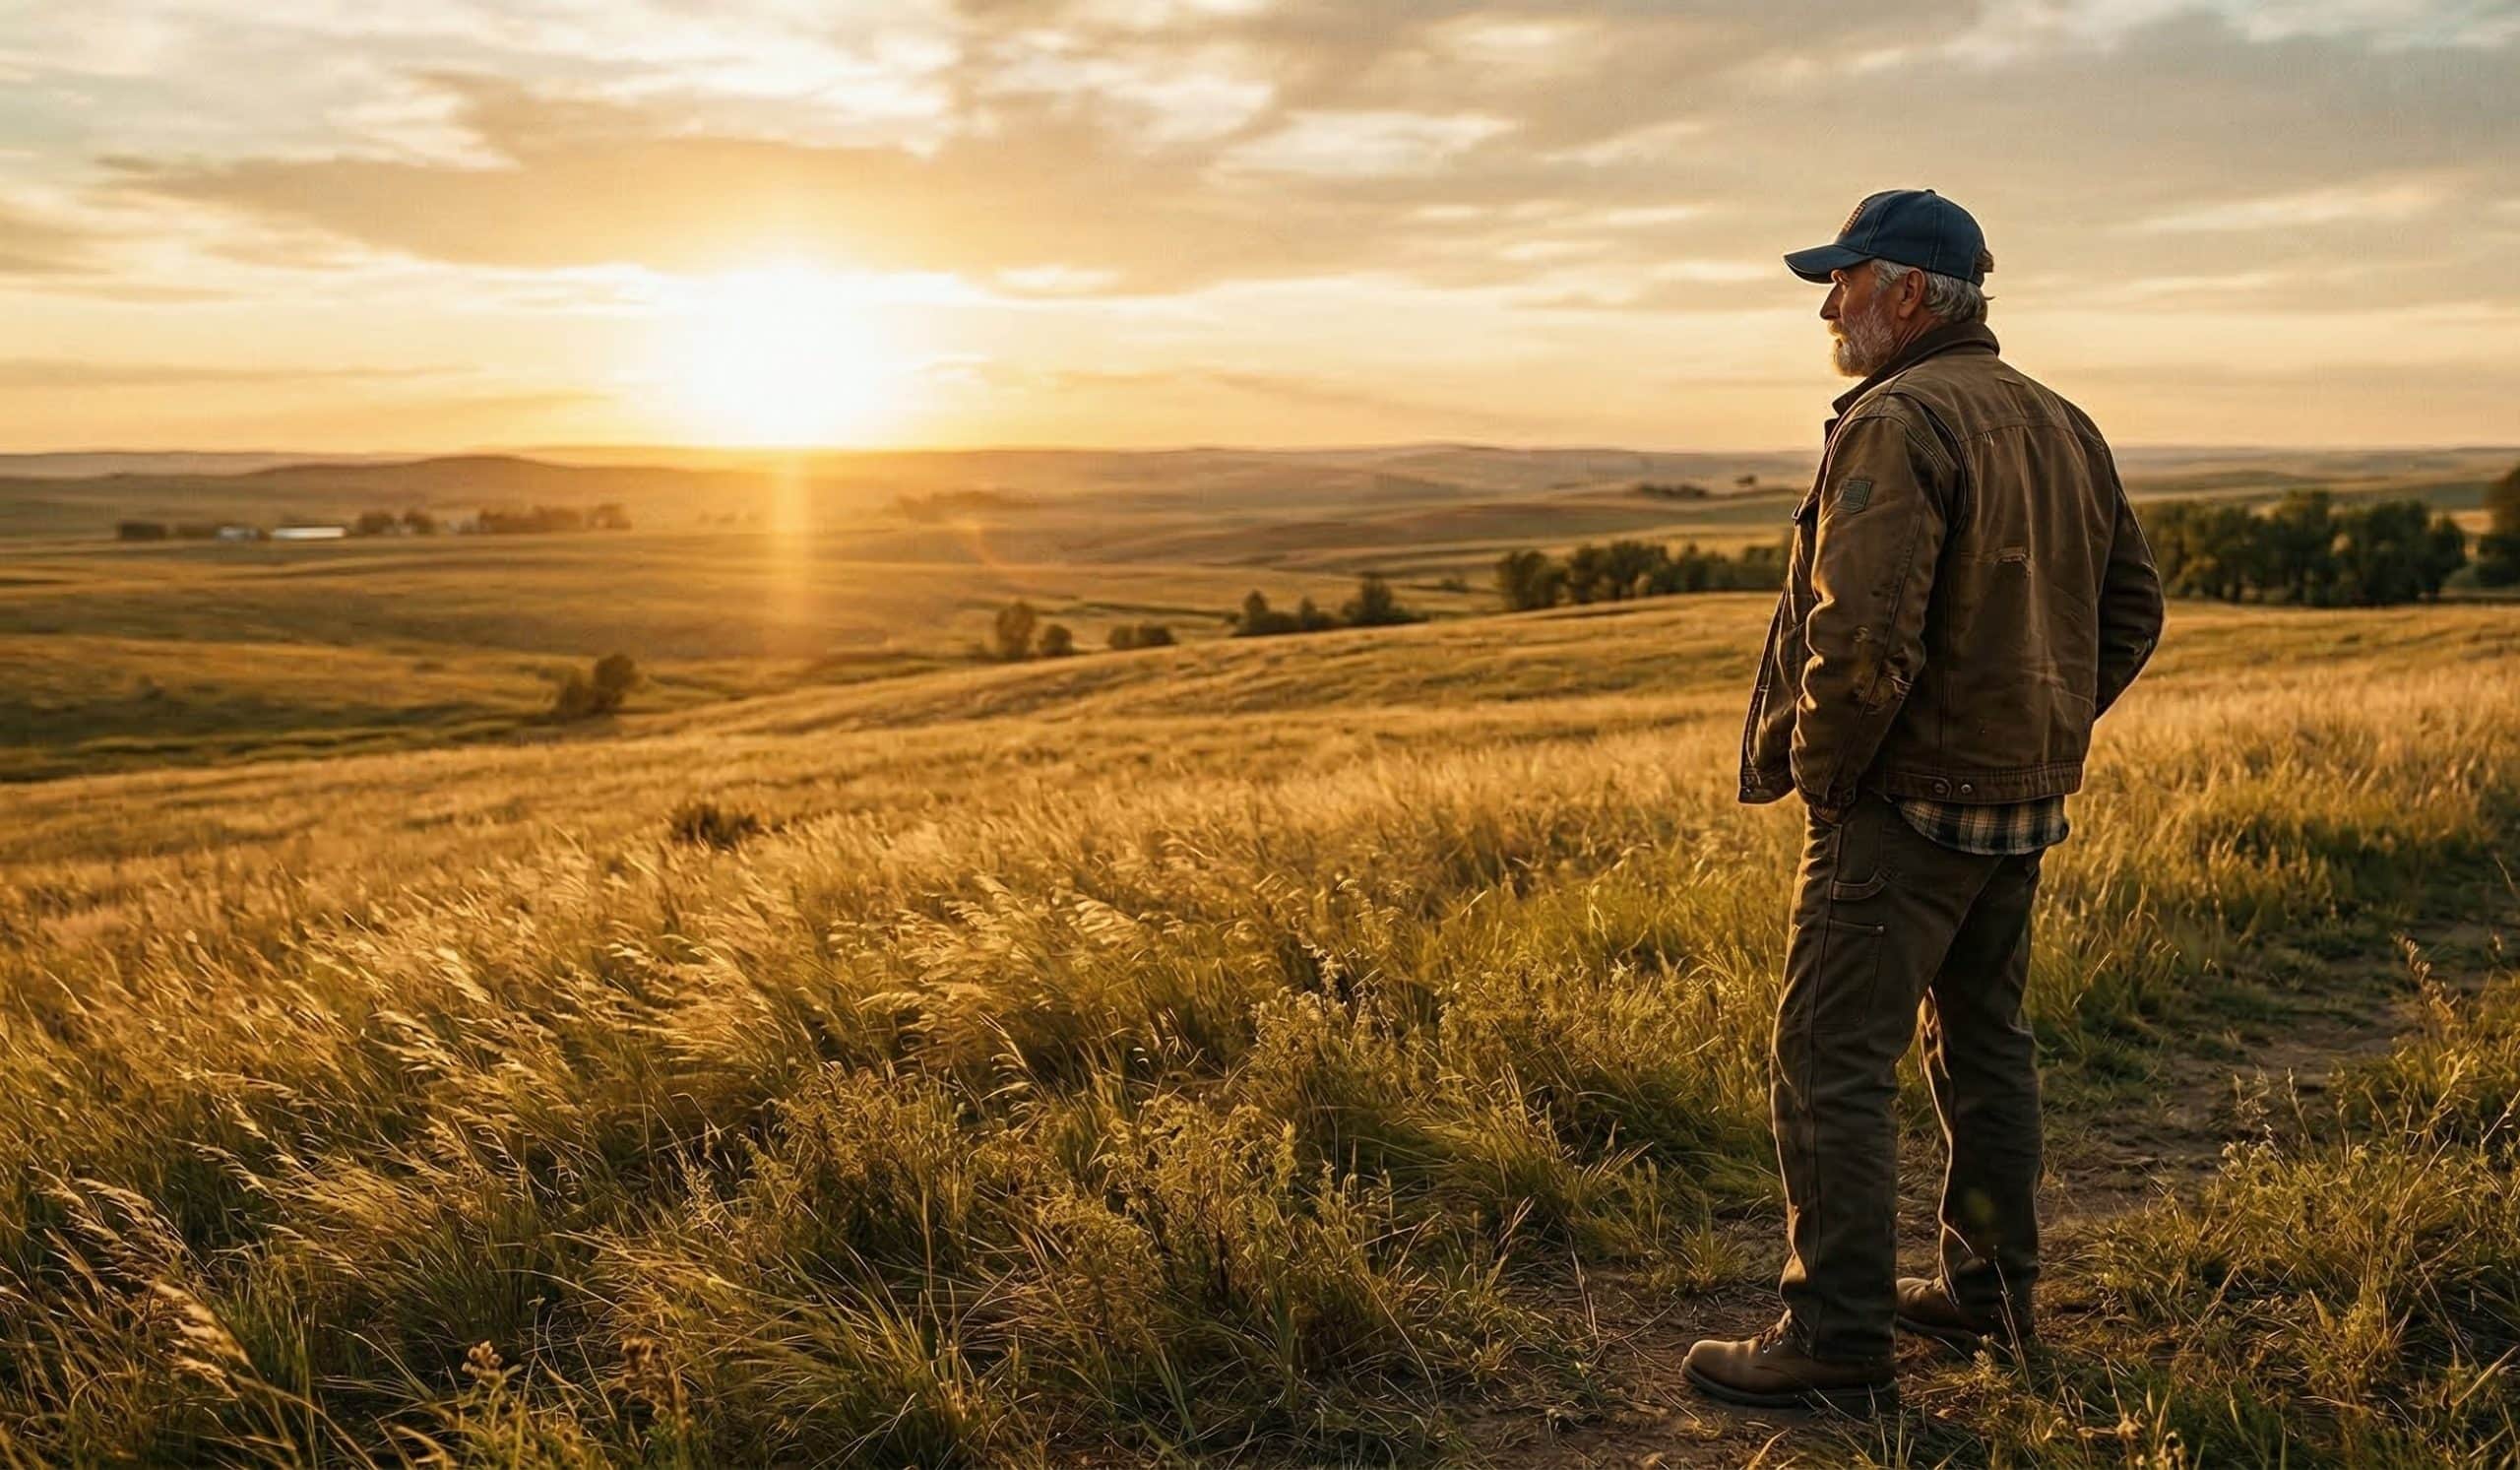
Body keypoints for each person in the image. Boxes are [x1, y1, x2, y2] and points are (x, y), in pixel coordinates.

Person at [1683, 189, 2166, 1414]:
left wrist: (1835, 781)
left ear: (1907, 292)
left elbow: (1858, 638)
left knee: (1827, 1059)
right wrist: (2034, 733)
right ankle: (1986, 1292)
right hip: (2018, 799)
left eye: (1844, 279)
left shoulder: (1898, 419)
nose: (1830, 303)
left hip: (1903, 806)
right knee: (1985, 1045)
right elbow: (2132, 612)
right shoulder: (2062, 420)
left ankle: (1836, 1335)